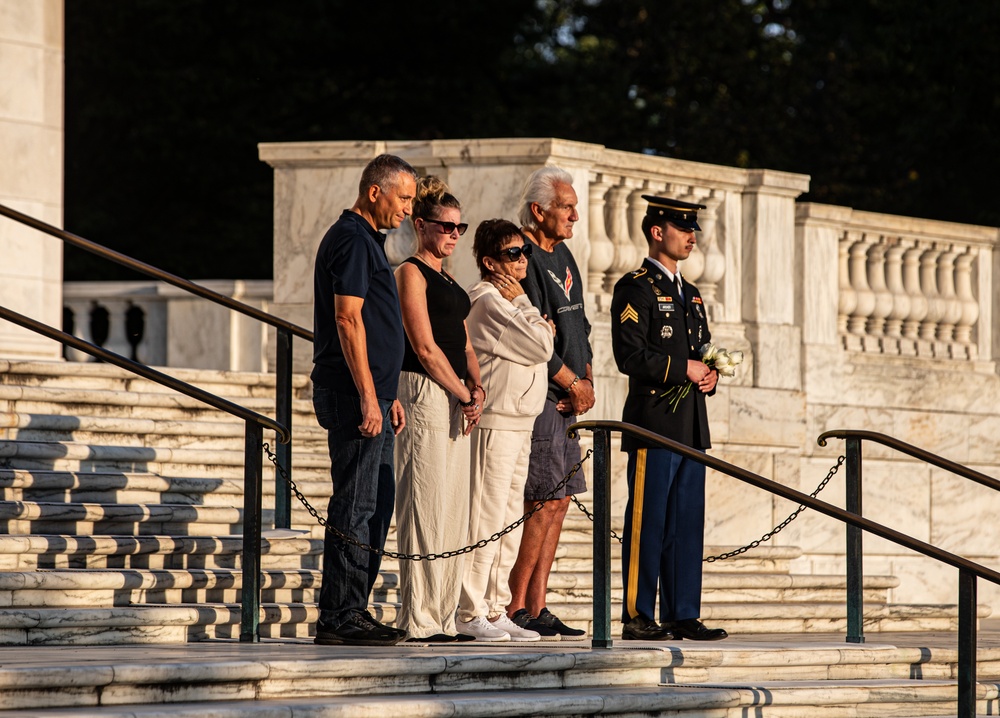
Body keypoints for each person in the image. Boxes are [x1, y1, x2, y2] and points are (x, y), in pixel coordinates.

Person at [609, 195, 728, 642]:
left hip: (690, 426)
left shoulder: (692, 294)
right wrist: (684, 369)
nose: (691, 236)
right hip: (653, 424)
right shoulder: (635, 286)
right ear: (657, 232)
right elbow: (630, 355)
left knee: (685, 523)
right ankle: (639, 614)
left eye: (693, 228)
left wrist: (710, 374)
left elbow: (702, 351)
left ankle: (682, 612)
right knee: (648, 521)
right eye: (683, 228)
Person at [310, 153, 416, 646]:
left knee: (375, 505)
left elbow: (372, 326)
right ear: (375, 191)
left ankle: (353, 608)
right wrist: (370, 396)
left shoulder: (367, 241)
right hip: (354, 398)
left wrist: (386, 391)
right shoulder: (352, 240)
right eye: (404, 198)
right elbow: (348, 320)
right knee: (355, 504)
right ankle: (339, 614)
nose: (408, 211)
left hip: (373, 395)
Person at [393, 176, 485, 643]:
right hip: (424, 390)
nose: (453, 234)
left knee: (454, 509)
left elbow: (463, 341)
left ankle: (446, 616)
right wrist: (462, 393)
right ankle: (420, 618)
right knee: (425, 504)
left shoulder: (449, 277)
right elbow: (424, 347)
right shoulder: (410, 271)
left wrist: (476, 384)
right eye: (445, 226)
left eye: (459, 227)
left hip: (454, 393)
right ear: (420, 224)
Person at [505, 166, 593, 640]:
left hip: (570, 398)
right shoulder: (524, 254)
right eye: (566, 206)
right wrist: (569, 381)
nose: (575, 215)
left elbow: (580, 325)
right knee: (540, 500)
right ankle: (515, 604)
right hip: (543, 397)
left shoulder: (564, 253)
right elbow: (533, 335)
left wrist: (588, 378)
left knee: (559, 503)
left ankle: (538, 606)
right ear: (539, 210)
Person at [457, 219, 555, 642]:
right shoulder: (489, 302)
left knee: (510, 520)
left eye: (524, 253)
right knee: (487, 517)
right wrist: (532, 313)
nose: (522, 261)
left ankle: (496, 608)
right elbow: (541, 346)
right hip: (495, 424)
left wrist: (529, 317)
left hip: (520, 423)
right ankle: (470, 609)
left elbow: (540, 344)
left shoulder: (509, 303)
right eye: (513, 254)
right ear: (489, 261)